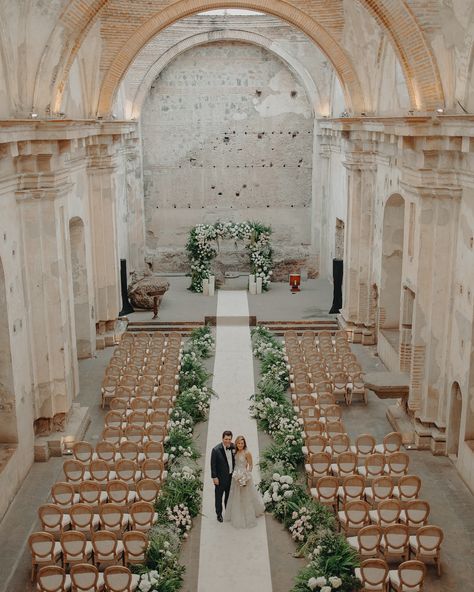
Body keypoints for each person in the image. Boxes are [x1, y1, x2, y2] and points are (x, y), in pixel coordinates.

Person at [224, 435, 265, 528]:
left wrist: (247, 475)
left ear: (244, 443)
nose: (240, 445)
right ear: (236, 443)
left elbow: (250, 465)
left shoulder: (247, 453)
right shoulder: (235, 451)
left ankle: (249, 513)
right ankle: (236, 512)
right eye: (238, 443)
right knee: (236, 494)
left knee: (246, 495)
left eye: (242, 443)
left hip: (244, 476)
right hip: (236, 476)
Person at [210, 430, 235, 522]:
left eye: (229, 439)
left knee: (229, 496)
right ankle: (219, 514)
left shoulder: (233, 447)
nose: (227, 441)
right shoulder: (216, 450)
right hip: (220, 479)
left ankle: (228, 512)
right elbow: (213, 465)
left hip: (231, 477)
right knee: (219, 497)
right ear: (222, 438)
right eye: (226, 439)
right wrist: (214, 477)